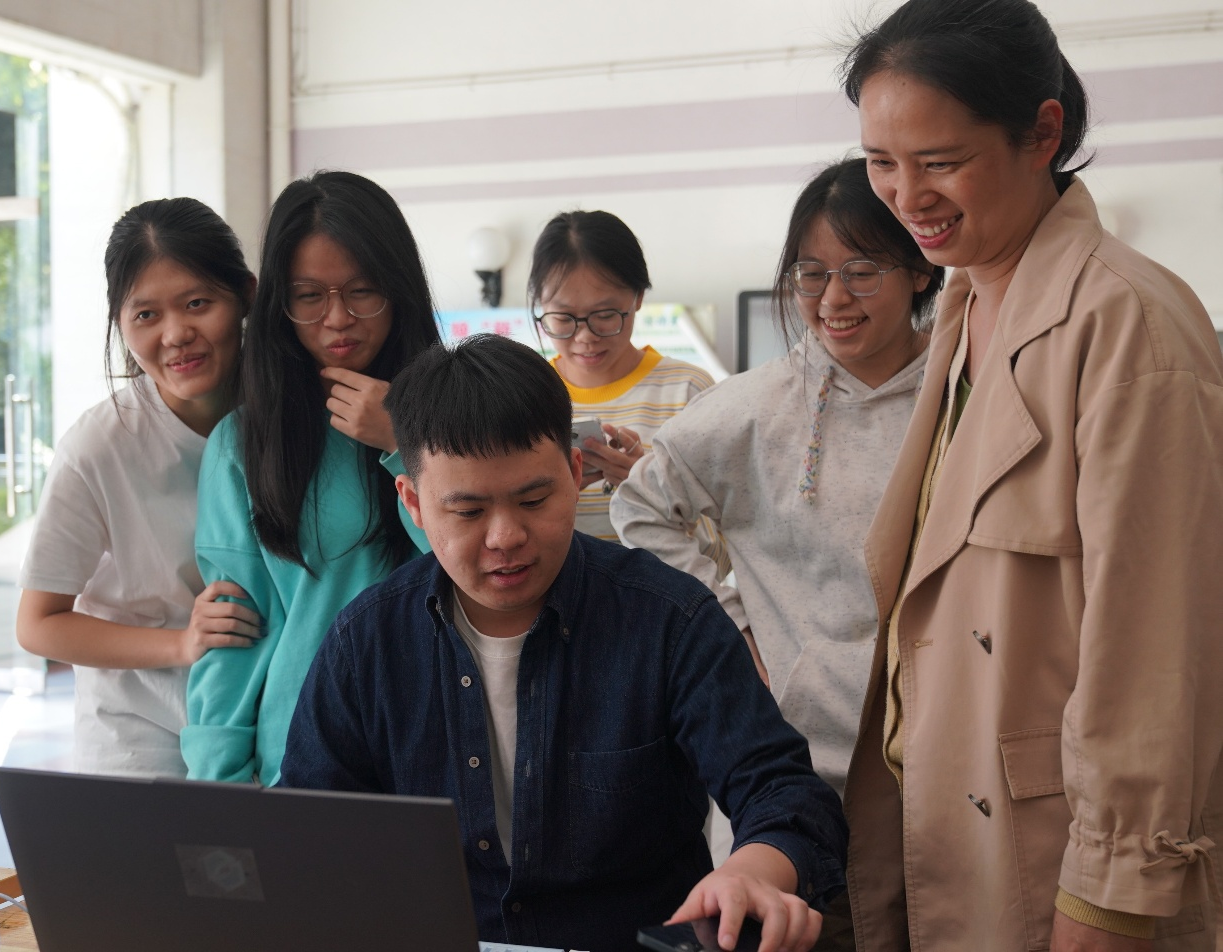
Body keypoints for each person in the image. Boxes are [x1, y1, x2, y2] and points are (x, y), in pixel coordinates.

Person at [838, 1, 1223, 949]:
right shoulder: (966, 304)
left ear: (1042, 132)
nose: (905, 196)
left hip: (1065, 873)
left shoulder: (1127, 322)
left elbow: (1158, 651)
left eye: (939, 161)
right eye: (881, 163)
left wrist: (1110, 898)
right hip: (955, 831)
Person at [278, 334, 848, 952]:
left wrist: (751, 873)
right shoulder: (368, 641)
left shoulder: (668, 620)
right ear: (413, 502)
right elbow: (307, 827)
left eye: (533, 499)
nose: (505, 537)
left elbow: (785, 792)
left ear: (576, 474)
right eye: (468, 512)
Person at [612, 157, 942, 795]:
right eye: (811, 274)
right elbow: (640, 506)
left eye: (862, 272)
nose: (834, 299)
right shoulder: (754, 407)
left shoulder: (965, 392)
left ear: (920, 268)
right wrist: (728, 624)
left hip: (947, 756)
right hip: (797, 760)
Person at [182, 171, 439, 786]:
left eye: (363, 291)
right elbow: (236, 630)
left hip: (442, 743)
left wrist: (403, 441)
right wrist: (218, 783)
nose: (338, 318)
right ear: (279, 303)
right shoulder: (244, 443)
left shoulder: (456, 420)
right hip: (301, 754)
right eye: (308, 296)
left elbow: (480, 567)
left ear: (399, 289)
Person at [17, 198, 259, 778]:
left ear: (246, 295)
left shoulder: (294, 417)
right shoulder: (98, 447)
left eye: (197, 303)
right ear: (120, 324)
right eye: (146, 315)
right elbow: (38, 623)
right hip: (139, 737)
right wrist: (180, 643)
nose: (176, 334)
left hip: (267, 720)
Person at [529, 210, 725, 564]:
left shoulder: (688, 391)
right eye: (563, 318)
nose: (585, 337)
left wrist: (653, 490)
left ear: (638, 298)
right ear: (541, 306)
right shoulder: (523, 397)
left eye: (605, 315)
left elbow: (722, 553)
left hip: (664, 597)